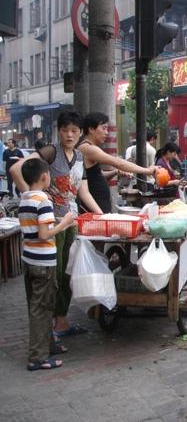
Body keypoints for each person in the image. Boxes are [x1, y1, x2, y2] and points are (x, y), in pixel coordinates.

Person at [11, 111, 103, 337]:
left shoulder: (80, 157)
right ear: (58, 131)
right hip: (51, 225)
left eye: (74, 131)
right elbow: (16, 169)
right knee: (53, 275)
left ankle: (61, 322)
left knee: (66, 275)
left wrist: (100, 214)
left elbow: (83, 191)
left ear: (81, 133)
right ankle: (50, 327)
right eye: (65, 130)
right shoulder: (51, 152)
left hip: (71, 222)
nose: (69, 135)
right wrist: (34, 197)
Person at [18, 158, 76, 371]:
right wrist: (64, 223)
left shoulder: (25, 198)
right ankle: (37, 357)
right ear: (44, 176)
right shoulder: (43, 200)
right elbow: (44, 234)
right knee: (42, 309)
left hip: (30, 260)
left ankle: (48, 346)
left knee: (40, 306)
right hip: (43, 261)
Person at [77, 112, 158, 213]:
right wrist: (147, 170)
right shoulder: (88, 148)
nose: (106, 132)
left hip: (99, 202)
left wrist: (115, 172)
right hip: (95, 204)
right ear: (91, 129)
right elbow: (117, 162)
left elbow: (95, 176)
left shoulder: (89, 148)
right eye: (104, 128)